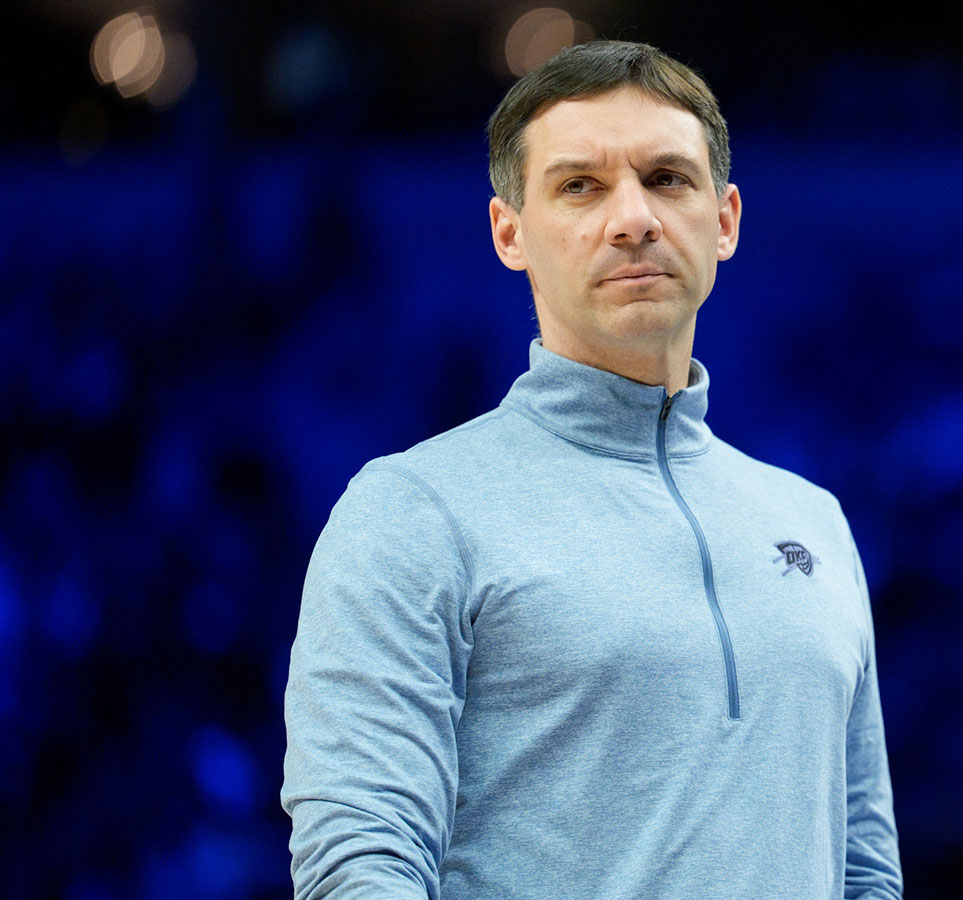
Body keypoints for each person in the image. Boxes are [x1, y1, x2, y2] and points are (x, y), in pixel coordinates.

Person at [281, 40, 903, 899]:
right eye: (580, 185)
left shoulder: (812, 520)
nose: (633, 218)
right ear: (511, 233)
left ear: (724, 220)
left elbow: (864, 867)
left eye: (667, 178)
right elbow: (359, 860)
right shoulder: (412, 511)